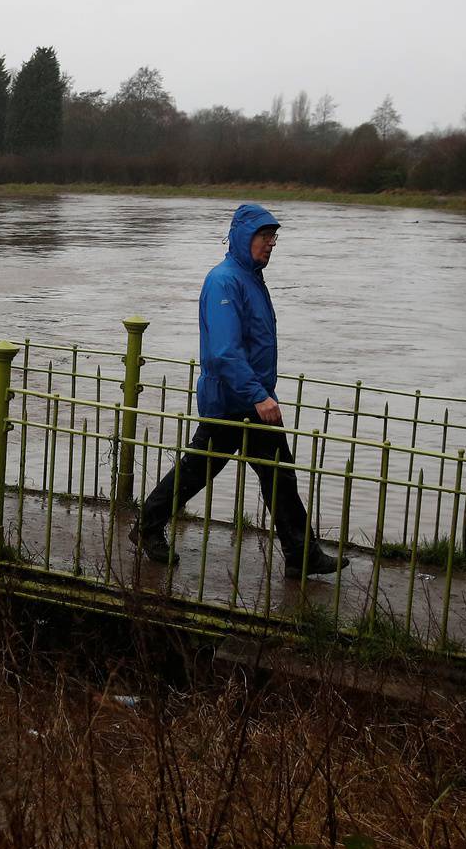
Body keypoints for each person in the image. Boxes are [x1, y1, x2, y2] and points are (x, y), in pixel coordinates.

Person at [133, 203, 344, 578]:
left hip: (250, 399)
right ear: (245, 236)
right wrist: (259, 395)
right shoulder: (224, 281)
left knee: (278, 475)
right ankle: (148, 525)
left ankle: (301, 554)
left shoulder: (250, 278)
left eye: (274, 237)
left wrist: (260, 393)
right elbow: (225, 351)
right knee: (200, 471)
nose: (271, 244)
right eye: (265, 236)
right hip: (234, 401)